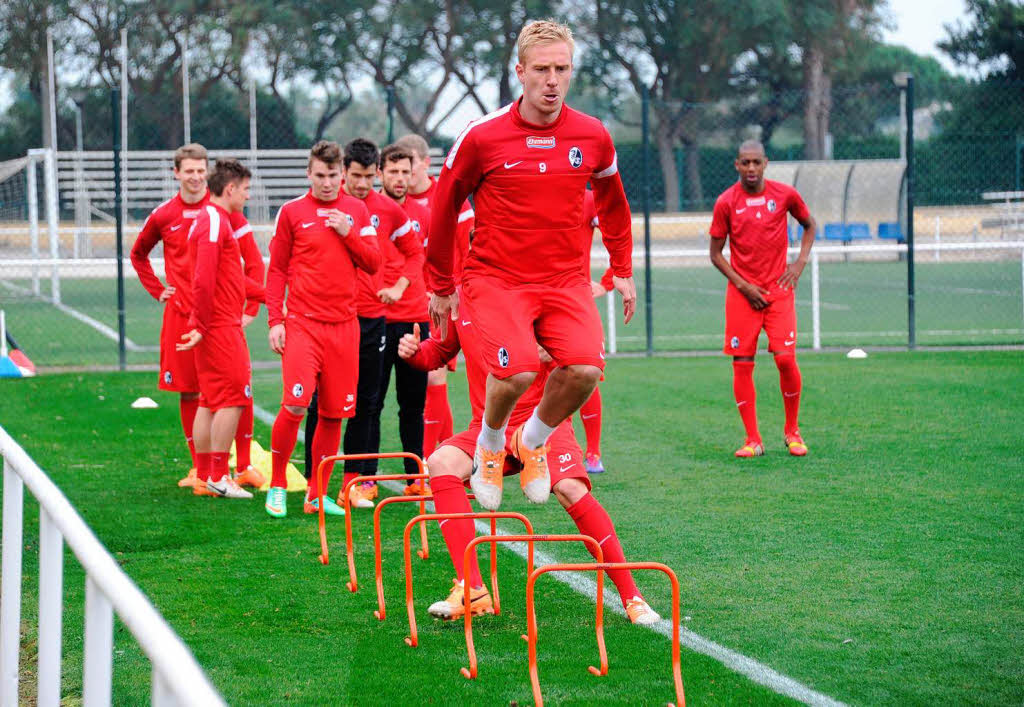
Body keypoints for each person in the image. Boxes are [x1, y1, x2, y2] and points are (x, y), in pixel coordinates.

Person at [425, 20, 636, 511]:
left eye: (562, 69)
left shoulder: (593, 135)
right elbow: (443, 206)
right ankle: (492, 444)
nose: (552, 80)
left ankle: (533, 439)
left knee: (585, 370)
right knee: (517, 372)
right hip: (496, 280)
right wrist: (440, 282)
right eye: (542, 69)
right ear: (520, 71)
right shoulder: (481, 137)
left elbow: (613, 203)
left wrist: (621, 267)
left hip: (564, 282)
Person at [397, 308, 659, 624]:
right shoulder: (460, 298)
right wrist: (415, 353)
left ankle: (633, 596)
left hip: (543, 423)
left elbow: (574, 354)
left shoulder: (524, 287)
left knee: (570, 488)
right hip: (490, 426)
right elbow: (439, 351)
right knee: (440, 462)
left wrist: (550, 351)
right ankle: (473, 589)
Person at [130, 143, 265, 489]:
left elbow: (248, 265)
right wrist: (158, 289)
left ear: (208, 173)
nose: (194, 176)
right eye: (187, 170)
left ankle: (241, 465)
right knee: (201, 393)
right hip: (195, 319)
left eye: (200, 170)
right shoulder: (169, 215)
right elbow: (140, 255)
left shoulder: (224, 214)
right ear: (176, 173)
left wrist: (255, 305)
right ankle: (206, 472)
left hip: (216, 317)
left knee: (231, 393)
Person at [264, 140, 381, 518]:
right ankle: (278, 484)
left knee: (334, 414)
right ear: (308, 174)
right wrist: (275, 321)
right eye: (320, 176)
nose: (327, 183)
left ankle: (316, 493)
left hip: (345, 328)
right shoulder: (292, 212)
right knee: (297, 403)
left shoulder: (356, 210)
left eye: (333, 176)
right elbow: (277, 269)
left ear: (342, 174)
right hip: (303, 325)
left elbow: (374, 263)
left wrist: (349, 232)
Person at [709, 140, 817, 457]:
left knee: (785, 358)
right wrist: (744, 286)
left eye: (757, 162)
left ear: (766, 163)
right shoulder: (726, 202)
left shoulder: (785, 195)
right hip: (743, 294)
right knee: (742, 364)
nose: (752, 168)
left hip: (778, 289)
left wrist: (798, 264)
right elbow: (715, 255)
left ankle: (793, 432)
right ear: (737, 165)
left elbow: (809, 226)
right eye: (746, 163)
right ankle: (752, 439)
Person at [336, 138, 422, 507]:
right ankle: (344, 479)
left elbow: (415, 253)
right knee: (354, 402)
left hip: (393, 317)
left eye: (369, 177)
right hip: (349, 318)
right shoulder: (333, 207)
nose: (363, 185)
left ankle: (396, 478)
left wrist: (400, 285)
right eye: (358, 177)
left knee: (398, 403)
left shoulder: (388, 210)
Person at [176, 159, 264, 498]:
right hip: (219, 325)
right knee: (235, 396)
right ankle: (217, 476)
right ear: (230, 189)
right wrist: (201, 323)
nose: (246, 196)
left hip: (214, 322)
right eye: (245, 190)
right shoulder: (213, 221)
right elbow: (204, 277)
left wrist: (270, 296)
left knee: (210, 401)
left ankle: (206, 475)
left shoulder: (212, 220)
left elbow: (231, 278)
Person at [393, 133, 474, 460]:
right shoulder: (398, 204)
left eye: (410, 164)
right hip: (411, 303)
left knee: (434, 376)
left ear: (425, 163)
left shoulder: (449, 195)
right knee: (425, 383)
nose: (404, 173)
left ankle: (426, 461)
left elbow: (466, 252)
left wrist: (456, 293)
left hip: (446, 301)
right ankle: (446, 456)